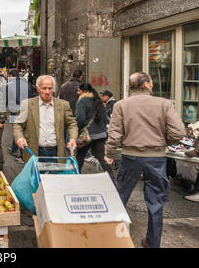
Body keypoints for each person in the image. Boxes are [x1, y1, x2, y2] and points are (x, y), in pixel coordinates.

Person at [105, 72, 185, 248]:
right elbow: (179, 132)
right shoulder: (164, 104)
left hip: (130, 156)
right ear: (148, 85)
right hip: (156, 157)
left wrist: (109, 154)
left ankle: (112, 239)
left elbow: (114, 134)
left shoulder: (121, 105)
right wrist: (165, 141)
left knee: (120, 197)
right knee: (156, 203)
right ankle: (152, 242)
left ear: (130, 86)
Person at [13, 75, 78, 161]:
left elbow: (71, 124)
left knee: (56, 174)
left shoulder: (63, 105)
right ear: (37, 88)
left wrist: (73, 138)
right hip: (34, 152)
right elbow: (18, 124)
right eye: (44, 88)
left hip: (57, 152)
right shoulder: (27, 104)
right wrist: (19, 137)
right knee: (36, 174)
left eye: (50, 88)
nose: (47, 92)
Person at [75, 83, 115, 181]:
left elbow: (79, 118)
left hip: (87, 135)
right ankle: (113, 180)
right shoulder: (98, 101)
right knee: (102, 158)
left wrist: (81, 130)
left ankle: (75, 179)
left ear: (84, 91)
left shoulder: (82, 101)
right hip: (100, 134)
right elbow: (105, 118)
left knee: (79, 158)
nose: (77, 92)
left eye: (79, 90)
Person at [6, 69, 36, 163]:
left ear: (11, 75)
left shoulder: (9, 85)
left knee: (18, 131)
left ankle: (23, 156)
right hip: (26, 110)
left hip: (14, 111)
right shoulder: (27, 85)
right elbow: (31, 98)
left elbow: (6, 99)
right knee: (22, 131)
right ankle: (14, 148)